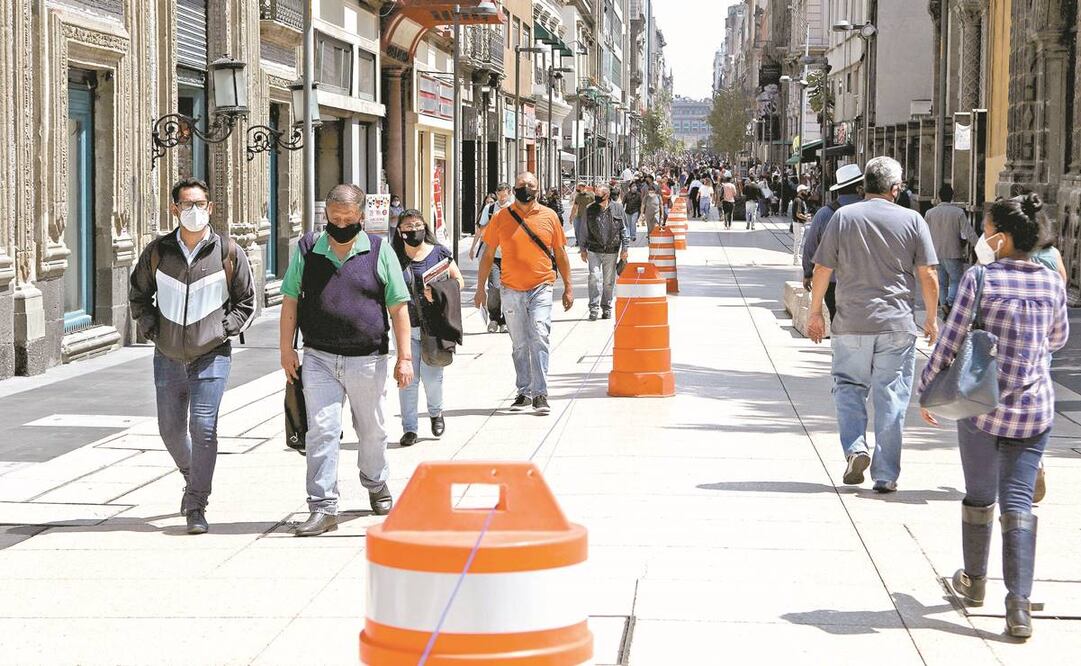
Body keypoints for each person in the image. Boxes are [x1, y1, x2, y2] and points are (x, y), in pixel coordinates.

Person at [917, 194, 1067, 639]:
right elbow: (1057, 339)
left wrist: (928, 388)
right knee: (1018, 503)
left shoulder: (979, 278)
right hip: (1034, 409)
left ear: (1001, 238)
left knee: (980, 495)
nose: (983, 237)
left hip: (981, 406)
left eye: (986, 230)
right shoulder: (1051, 282)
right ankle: (1018, 606)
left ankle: (975, 581)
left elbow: (951, 340)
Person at [279, 184, 414, 537]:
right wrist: (286, 349)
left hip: (367, 359)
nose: (340, 225)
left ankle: (375, 480)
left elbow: (398, 306)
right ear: (326, 214)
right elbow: (290, 299)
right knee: (321, 431)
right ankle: (323, 506)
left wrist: (405, 358)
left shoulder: (380, 251)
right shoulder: (308, 249)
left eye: (347, 219)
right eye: (334, 218)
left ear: (361, 217)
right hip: (319, 357)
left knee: (372, 431)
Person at [128, 178, 256, 535]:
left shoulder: (228, 251)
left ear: (210, 208)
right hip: (167, 355)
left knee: (203, 427)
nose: (194, 210)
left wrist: (224, 329)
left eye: (200, 204)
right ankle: (191, 475)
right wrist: (152, 329)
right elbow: (138, 296)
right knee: (170, 430)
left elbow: (247, 301)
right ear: (175, 209)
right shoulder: (158, 251)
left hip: (211, 354)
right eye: (187, 204)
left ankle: (197, 503)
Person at [807, 156, 940, 494]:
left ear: (864, 185)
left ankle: (855, 449)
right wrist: (931, 317)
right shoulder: (913, 220)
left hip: (851, 321)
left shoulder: (843, 217)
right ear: (896, 188)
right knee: (892, 395)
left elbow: (822, 269)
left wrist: (815, 312)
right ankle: (885, 474)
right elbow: (928, 273)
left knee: (848, 386)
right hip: (896, 323)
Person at [474, 172, 574, 415]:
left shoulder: (549, 216)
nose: (526, 188)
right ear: (513, 188)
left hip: (542, 285)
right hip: (510, 288)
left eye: (530, 184)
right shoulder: (501, 217)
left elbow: (560, 253)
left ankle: (540, 393)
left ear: (537, 189)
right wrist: (480, 288)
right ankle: (524, 391)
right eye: (521, 184)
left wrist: (568, 287)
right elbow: (488, 254)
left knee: (539, 335)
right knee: (519, 343)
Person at [392, 209, 464, 448]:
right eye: (408, 227)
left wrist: (438, 292)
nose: (413, 231)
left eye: (417, 226)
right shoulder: (393, 257)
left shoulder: (439, 253)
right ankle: (409, 429)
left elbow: (459, 281)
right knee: (407, 380)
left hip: (433, 326)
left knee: (433, 378)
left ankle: (436, 413)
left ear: (425, 227)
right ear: (400, 232)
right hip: (405, 326)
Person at [802, 163, 865, 321]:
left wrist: (808, 273)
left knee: (837, 322)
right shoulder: (870, 212)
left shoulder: (824, 214)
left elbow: (811, 246)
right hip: (863, 282)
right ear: (859, 188)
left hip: (833, 283)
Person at [924, 184, 978, 318]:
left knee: (942, 283)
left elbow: (923, 234)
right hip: (953, 252)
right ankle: (949, 303)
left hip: (935, 254)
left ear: (939, 197)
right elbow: (969, 233)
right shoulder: (958, 213)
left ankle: (944, 306)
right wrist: (980, 246)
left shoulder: (930, 213)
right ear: (952, 196)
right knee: (956, 281)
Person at [581, 185, 631, 321]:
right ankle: (593, 308)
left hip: (611, 250)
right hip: (594, 249)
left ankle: (606, 307)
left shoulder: (618, 208)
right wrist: (583, 249)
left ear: (607, 195)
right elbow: (584, 230)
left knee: (608, 282)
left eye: (599, 195)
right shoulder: (590, 209)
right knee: (594, 277)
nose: (596, 197)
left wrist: (625, 249)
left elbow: (624, 229)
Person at [469, 183, 513, 333]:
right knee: (494, 288)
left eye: (504, 195)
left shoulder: (514, 208)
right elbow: (481, 229)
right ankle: (494, 319)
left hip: (510, 256)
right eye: (499, 195)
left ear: (509, 193)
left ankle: (505, 320)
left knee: (508, 289)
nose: (502, 198)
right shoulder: (490, 208)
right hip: (493, 255)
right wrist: (473, 247)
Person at [791, 184, 812, 266]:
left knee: (798, 241)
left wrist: (806, 215)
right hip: (798, 223)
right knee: (798, 241)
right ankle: (796, 260)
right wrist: (806, 218)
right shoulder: (798, 200)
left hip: (800, 223)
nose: (806, 192)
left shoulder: (801, 200)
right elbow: (798, 214)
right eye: (805, 190)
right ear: (800, 191)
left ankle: (796, 258)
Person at [570, 183, 595, 248]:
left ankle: (587, 243)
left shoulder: (591, 194)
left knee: (587, 230)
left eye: (579, 187)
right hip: (579, 215)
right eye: (578, 187)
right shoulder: (578, 196)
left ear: (583, 187)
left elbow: (595, 203)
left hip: (588, 216)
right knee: (577, 229)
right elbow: (574, 207)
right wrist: (571, 216)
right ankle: (579, 242)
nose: (578, 188)